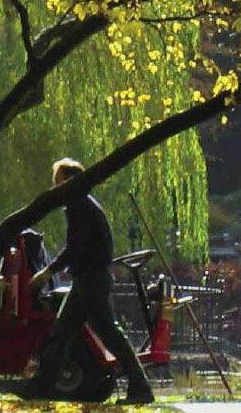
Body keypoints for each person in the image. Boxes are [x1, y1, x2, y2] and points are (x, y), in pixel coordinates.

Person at [16, 158, 154, 405]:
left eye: (58, 182)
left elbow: (74, 247)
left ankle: (141, 386)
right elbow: (77, 248)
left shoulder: (79, 206)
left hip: (91, 279)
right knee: (62, 331)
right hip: (85, 278)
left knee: (108, 332)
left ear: (70, 181)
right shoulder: (83, 205)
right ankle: (40, 386)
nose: (55, 188)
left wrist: (48, 271)